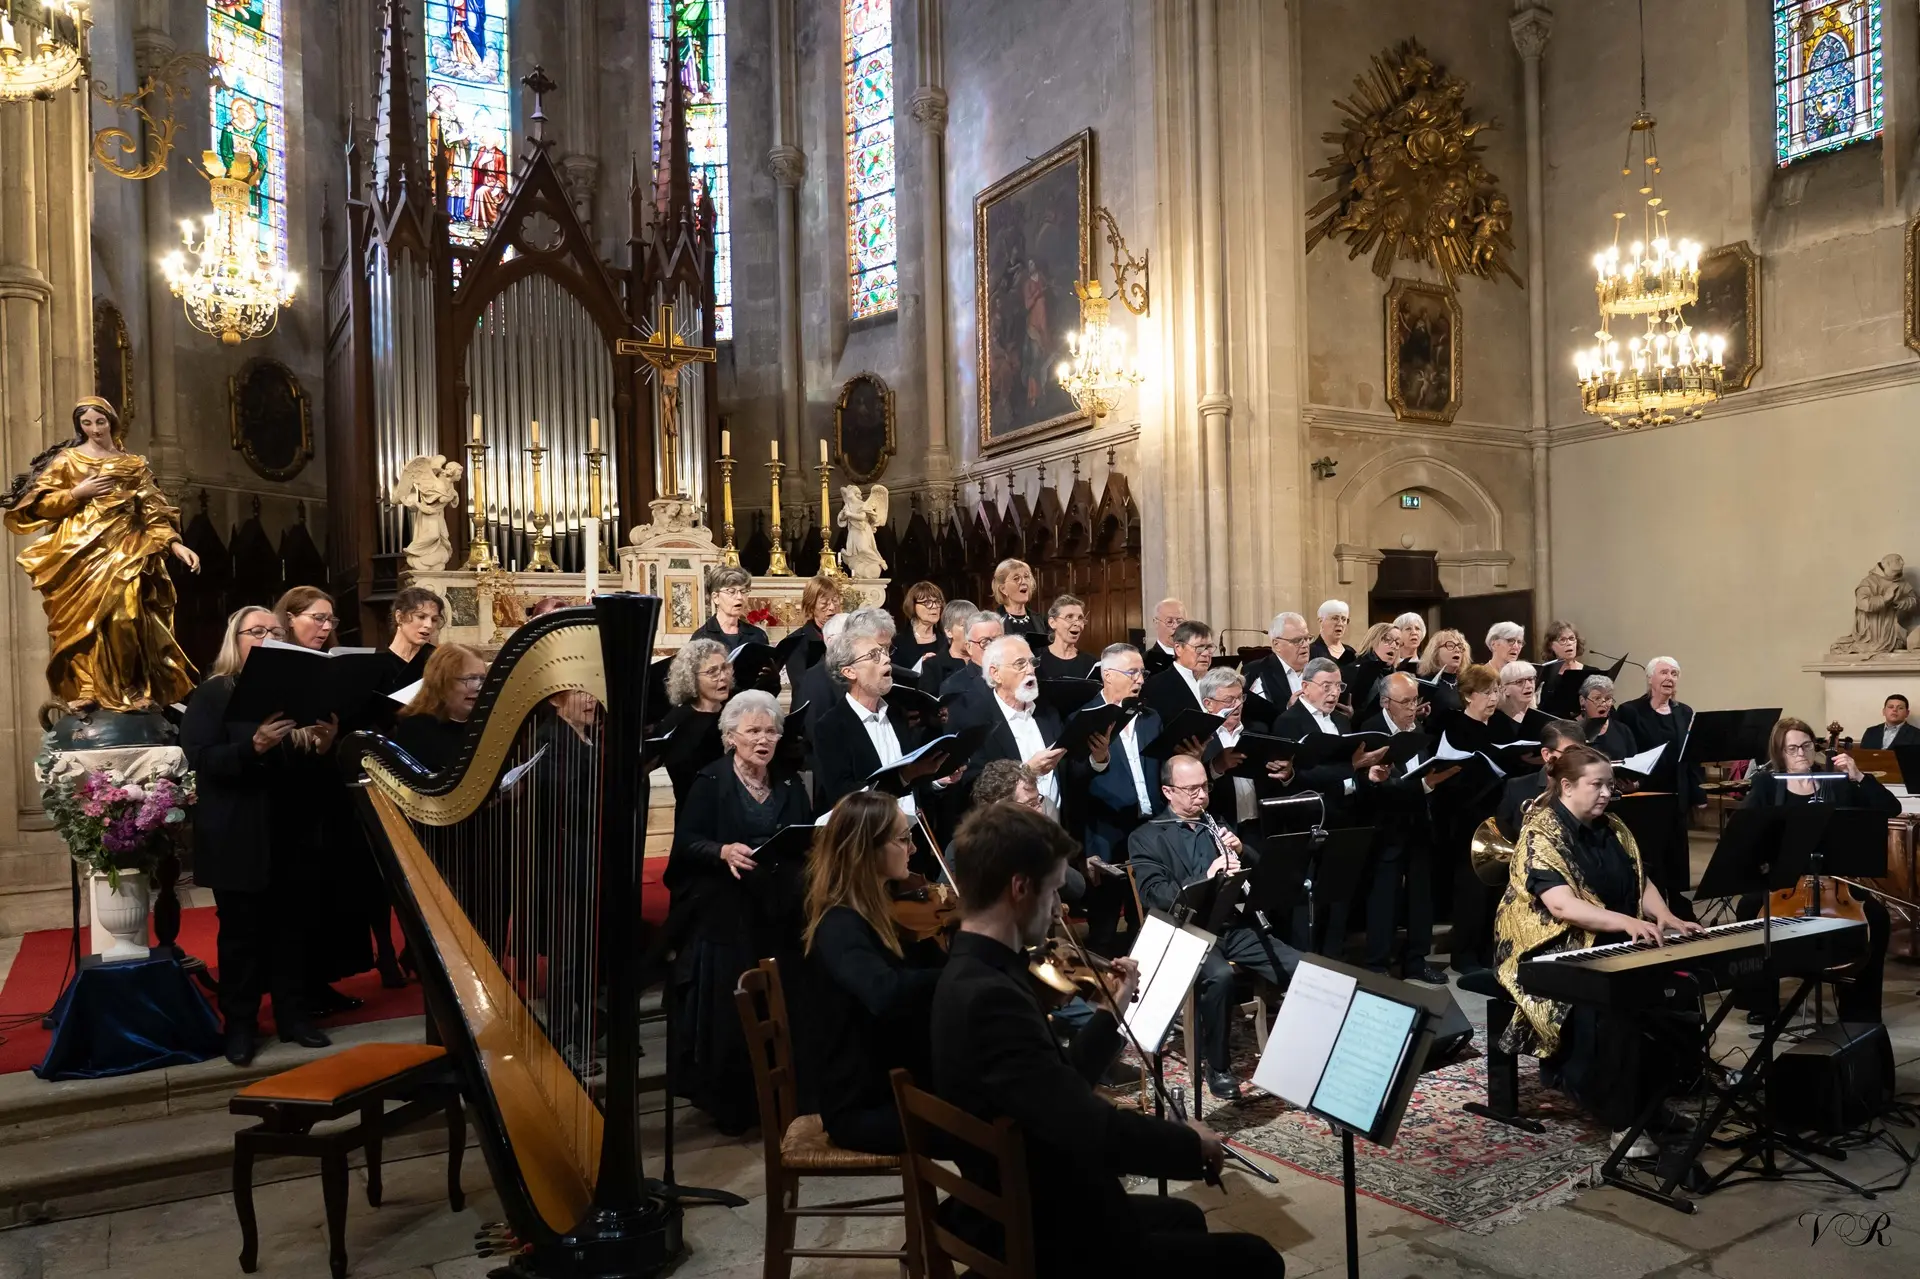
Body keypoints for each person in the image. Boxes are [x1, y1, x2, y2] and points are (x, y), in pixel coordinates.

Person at [929, 803, 1286, 1278]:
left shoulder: (972, 971)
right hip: (1047, 1230)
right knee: (1258, 1259)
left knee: (1184, 1217)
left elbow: (1059, 1086)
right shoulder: (992, 997)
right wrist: (1188, 1145)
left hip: (1023, 1195)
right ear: (1020, 888)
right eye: (1053, 892)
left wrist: (1107, 1013)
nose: (1058, 910)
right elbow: (1092, 1128)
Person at [1494, 745, 1703, 1151]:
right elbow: (1562, 906)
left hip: (1608, 937)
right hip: (1550, 949)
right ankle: (1624, 1119)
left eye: (1610, 785)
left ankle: (1652, 1103)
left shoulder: (1614, 827)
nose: (1607, 793)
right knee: (1614, 1009)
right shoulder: (1540, 835)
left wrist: (1666, 916)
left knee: (1675, 993)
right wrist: (1628, 922)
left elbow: (1639, 879)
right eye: (1597, 785)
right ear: (1567, 786)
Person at [181, 607, 334, 1064]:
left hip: (290, 828)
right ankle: (240, 1026)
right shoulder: (214, 693)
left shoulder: (294, 693)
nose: (268, 637)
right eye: (257, 631)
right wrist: (253, 747)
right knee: (241, 937)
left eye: (275, 631)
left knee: (292, 930)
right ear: (236, 639)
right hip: (237, 832)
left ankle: (294, 1017)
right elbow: (201, 759)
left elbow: (305, 766)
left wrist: (323, 745)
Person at [666, 690, 814, 1135]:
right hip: (728, 916)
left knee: (786, 1002)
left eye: (770, 731)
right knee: (735, 1012)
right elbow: (685, 843)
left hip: (780, 911)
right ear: (730, 737)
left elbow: (805, 837)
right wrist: (722, 850)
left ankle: (786, 1098)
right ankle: (735, 1104)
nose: (763, 739)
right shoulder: (710, 781)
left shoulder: (789, 782)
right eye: (752, 731)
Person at [1, 397, 201, 712]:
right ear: (79, 426)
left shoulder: (133, 464)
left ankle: (129, 687)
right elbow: (38, 504)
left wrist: (175, 544)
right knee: (82, 623)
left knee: (126, 616)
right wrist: (76, 493)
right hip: (79, 553)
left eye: (100, 422)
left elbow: (153, 509)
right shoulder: (68, 461)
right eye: (87, 423)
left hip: (127, 548)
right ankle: (87, 686)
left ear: (112, 422)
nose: (94, 429)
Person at [1131, 755, 1297, 1099]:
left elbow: (1258, 872)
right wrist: (1206, 876)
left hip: (1230, 925)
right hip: (1184, 932)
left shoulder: (1215, 824)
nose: (1202, 796)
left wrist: (1242, 851)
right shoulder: (1146, 836)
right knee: (1220, 977)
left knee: (1300, 967)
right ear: (1168, 791)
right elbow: (1154, 893)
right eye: (1192, 789)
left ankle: (1300, 1053)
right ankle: (1218, 1067)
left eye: (1205, 787)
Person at [797, 792, 946, 1155]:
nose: (913, 849)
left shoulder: (884, 912)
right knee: (991, 1133)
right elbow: (887, 993)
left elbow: (923, 973)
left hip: (898, 1085)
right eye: (903, 838)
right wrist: (959, 973)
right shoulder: (839, 925)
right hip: (863, 1106)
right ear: (866, 849)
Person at [1737, 718, 1897, 1024]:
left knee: (1876, 917)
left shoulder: (1835, 781)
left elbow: (1890, 808)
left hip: (1832, 879)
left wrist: (1858, 776)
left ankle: (1859, 1009)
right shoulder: (1768, 784)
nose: (1801, 753)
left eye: (1807, 745)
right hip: (1784, 880)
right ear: (1780, 752)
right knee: (1749, 908)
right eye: (1792, 748)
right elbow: (1745, 830)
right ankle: (1761, 1001)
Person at [1065, 644, 1164, 953]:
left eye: (1142, 672)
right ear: (1108, 675)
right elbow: (1072, 784)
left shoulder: (1150, 717)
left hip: (1150, 831)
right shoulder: (1083, 719)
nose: (1140, 679)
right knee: (1105, 929)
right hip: (1106, 834)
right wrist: (1098, 760)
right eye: (1132, 672)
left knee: (1149, 922)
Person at [1356, 674, 1447, 982]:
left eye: (1415, 700)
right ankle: (1377, 965)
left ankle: (1416, 961)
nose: (1412, 708)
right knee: (1383, 897)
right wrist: (1422, 786)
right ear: (1386, 702)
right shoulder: (1370, 731)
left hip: (1417, 824)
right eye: (1405, 702)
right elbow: (1370, 786)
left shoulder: (1416, 728)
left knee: (1421, 896)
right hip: (1384, 828)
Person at [810, 620, 955, 809]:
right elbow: (844, 798)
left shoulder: (896, 714)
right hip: (870, 826)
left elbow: (914, 785)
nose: (886, 659)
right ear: (849, 672)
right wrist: (903, 777)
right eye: (874, 656)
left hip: (912, 825)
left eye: (884, 652)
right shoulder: (831, 726)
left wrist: (938, 781)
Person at [1610, 657, 1703, 914]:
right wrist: (1631, 782)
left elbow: (1691, 756)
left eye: (1674, 673)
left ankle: (1682, 912)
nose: (1669, 678)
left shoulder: (1684, 712)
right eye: (1663, 672)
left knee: (1678, 859)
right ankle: (1656, 913)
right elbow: (1626, 751)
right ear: (1650, 678)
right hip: (1644, 795)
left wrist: (1698, 792)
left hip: (1676, 795)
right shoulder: (1630, 711)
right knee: (1652, 859)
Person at [1434, 663, 1505, 973]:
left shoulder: (1499, 727)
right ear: (1468, 696)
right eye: (1486, 692)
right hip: (1466, 820)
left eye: (1496, 691)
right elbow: (1448, 778)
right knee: (1471, 891)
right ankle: (1464, 955)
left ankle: (1489, 953)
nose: (1493, 698)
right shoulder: (1455, 729)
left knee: (1495, 889)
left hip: (1497, 818)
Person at [962, 636, 1065, 813]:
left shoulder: (1048, 712)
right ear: (996, 674)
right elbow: (976, 786)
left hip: (1056, 821)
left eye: (1032, 662)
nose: (1030, 670)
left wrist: (1098, 759)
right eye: (1020, 664)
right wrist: (1026, 771)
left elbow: (1067, 769)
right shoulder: (977, 721)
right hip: (1011, 823)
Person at [654, 638, 732, 802]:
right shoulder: (678, 720)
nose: (723, 676)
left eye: (725, 668)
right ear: (691, 678)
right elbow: (684, 778)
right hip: (696, 807)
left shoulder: (734, 710)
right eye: (712, 672)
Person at [391, 644, 488, 770]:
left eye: (482, 679)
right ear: (441, 682)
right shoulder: (415, 729)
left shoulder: (484, 725)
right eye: (470, 678)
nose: (479, 687)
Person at [1494, 719, 1586, 841]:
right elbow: (1502, 834)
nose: (1577, 760)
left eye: (1581, 753)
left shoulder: (1588, 788)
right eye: (1569, 753)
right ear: (1546, 754)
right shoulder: (1516, 788)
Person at [938, 610, 1005, 732]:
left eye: (998, 640)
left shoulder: (1017, 676)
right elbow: (956, 737)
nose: (993, 647)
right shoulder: (954, 687)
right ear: (969, 647)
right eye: (984, 642)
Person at [377, 587, 443, 700]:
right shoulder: (377, 665)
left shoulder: (437, 663)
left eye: (434, 619)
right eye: (421, 617)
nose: (429, 625)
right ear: (399, 617)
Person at [1140, 619, 1214, 721]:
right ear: (1178, 648)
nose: (1206, 653)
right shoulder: (1156, 686)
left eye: (1209, 647)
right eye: (1199, 647)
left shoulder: (1218, 682)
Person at [784, 576, 844, 690]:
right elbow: (801, 684)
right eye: (824, 603)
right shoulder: (796, 642)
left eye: (835, 601)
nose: (832, 607)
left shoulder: (848, 635)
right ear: (811, 607)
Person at [690, 564, 770, 649]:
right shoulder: (701, 638)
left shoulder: (758, 635)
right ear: (716, 597)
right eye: (731, 591)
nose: (739, 597)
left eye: (743, 591)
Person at [1245, 612, 1310, 705]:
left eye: (1307, 638)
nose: (1305, 645)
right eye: (1297, 640)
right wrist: (1289, 710)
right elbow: (1255, 713)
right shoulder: (1256, 672)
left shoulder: (1320, 666)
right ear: (1276, 645)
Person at [917, 598, 975, 694]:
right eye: (964, 626)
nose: (971, 631)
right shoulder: (932, 666)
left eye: (974, 625)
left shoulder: (987, 662)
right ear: (949, 632)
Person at [892, 580, 947, 675]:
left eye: (937, 601)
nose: (935, 606)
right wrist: (919, 666)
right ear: (913, 606)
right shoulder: (898, 642)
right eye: (927, 602)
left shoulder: (947, 640)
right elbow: (895, 676)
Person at [1492, 661, 1556, 741]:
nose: (1529, 686)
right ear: (1505, 689)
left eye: (1531, 679)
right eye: (1519, 682)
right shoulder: (1495, 720)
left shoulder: (1539, 717)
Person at [1348, 621, 1403, 713]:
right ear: (1372, 641)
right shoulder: (1355, 671)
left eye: (1398, 643)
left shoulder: (1397, 676)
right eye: (1387, 639)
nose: (1394, 646)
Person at [1039, 593, 1097, 679]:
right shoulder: (1036, 660)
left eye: (1080, 618)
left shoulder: (1092, 664)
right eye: (1069, 617)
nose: (1077, 624)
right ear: (1052, 623)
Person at [1578, 674, 1638, 759]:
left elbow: (1633, 762)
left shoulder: (1623, 730)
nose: (1604, 704)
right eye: (1597, 698)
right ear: (1582, 701)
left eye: (1608, 698)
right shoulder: (1572, 730)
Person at [1536, 619, 1586, 708]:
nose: (1569, 643)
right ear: (1550, 646)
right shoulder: (1544, 675)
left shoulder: (1591, 672)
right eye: (1562, 640)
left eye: (1572, 638)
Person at [1417, 628, 1467, 715]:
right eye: (1450, 645)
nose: (1457, 650)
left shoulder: (1466, 682)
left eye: (1460, 646)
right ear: (1435, 652)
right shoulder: (1426, 684)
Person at [1308, 599, 1358, 685]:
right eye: (1335, 618)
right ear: (1321, 621)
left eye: (1344, 619)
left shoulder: (1350, 652)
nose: (1340, 623)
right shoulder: (1310, 651)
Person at [1143, 597, 1184, 674]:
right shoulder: (1145, 662)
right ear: (1156, 623)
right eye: (1169, 621)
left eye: (1180, 622)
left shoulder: (1196, 658)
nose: (1176, 626)